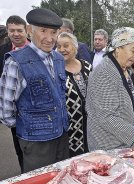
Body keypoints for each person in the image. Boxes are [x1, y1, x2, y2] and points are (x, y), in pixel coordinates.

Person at [0, 8, 69, 172]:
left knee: (62, 181)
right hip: (36, 142)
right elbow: (5, 110)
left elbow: (60, 94)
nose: (49, 38)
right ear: (30, 31)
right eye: (43, 31)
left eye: (53, 32)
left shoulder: (58, 58)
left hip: (61, 136)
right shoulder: (15, 61)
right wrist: (28, 127)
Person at [86, 27, 134, 154]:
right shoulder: (104, 72)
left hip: (125, 140)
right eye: (133, 50)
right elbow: (106, 117)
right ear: (118, 48)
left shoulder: (127, 69)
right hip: (109, 145)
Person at [0, 15, 30, 173]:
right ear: (7, 31)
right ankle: (24, 174)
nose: (16, 34)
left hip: (32, 112)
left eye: (19, 30)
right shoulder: (3, 52)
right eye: (12, 30)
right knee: (20, 149)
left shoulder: (36, 49)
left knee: (35, 152)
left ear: (26, 31)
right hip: (14, 112)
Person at [56, 32, 92, 157]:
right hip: (69, 131)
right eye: (58, 46)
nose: (61, 50)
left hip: (91, 127)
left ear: (75, 47)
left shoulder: (87, 66)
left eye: (66, 46)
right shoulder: (55, 70)